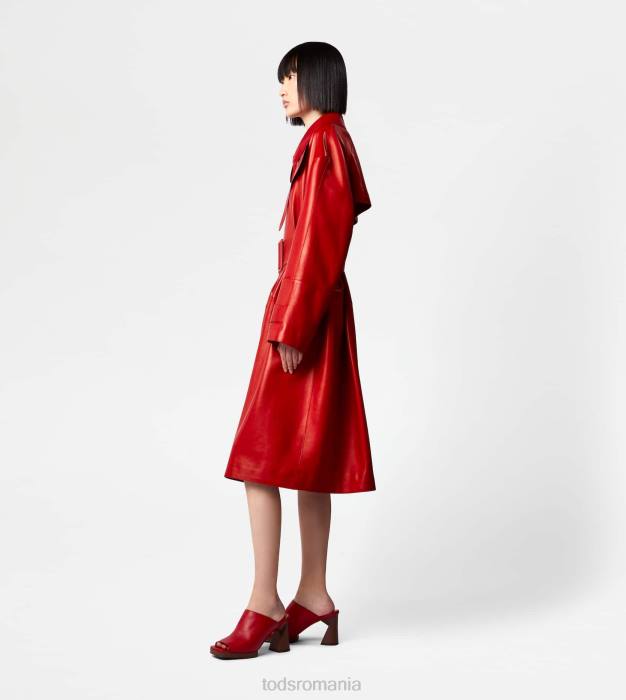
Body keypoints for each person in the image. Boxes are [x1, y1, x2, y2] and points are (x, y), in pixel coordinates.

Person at [210, 41, 376, 660]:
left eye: (291, 75)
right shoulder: (329, 141)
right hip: (313, 308)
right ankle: (313, 594)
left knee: (259, 458)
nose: (282, 87)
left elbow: (319, 243)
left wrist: (291, 326)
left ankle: (265, 603)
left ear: (320, 79)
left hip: (304, 311)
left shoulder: (325, 142)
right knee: (307, 459)